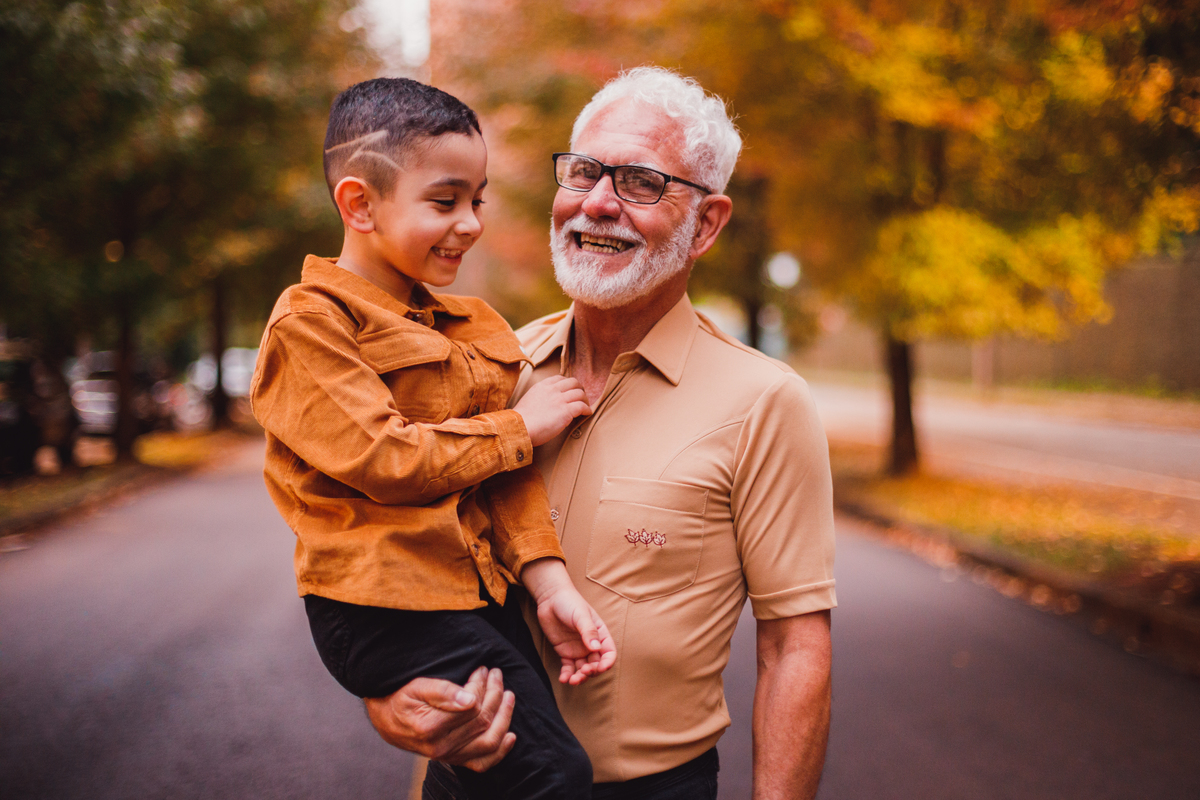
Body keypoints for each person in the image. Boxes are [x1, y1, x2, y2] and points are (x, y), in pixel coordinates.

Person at [366, 67, 837, 800]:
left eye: (640, 182)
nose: (597, 203)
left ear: (706, 223)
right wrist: (384, 698)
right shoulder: (486, 369)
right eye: (583, 171)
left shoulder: (764, 402)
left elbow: (794, 651)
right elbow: (391, 558)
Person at [249, 77, 618, 800]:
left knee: (482, 772)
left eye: (477, 200)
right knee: (553, 774)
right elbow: (385, 459)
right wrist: (520, 425)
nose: (471, 222)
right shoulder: (311, 324)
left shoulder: (473, 324)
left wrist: (549, 583)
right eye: (445, 201)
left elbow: (502, 477)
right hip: (380, 605)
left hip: (471, 594)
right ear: (359, 204)